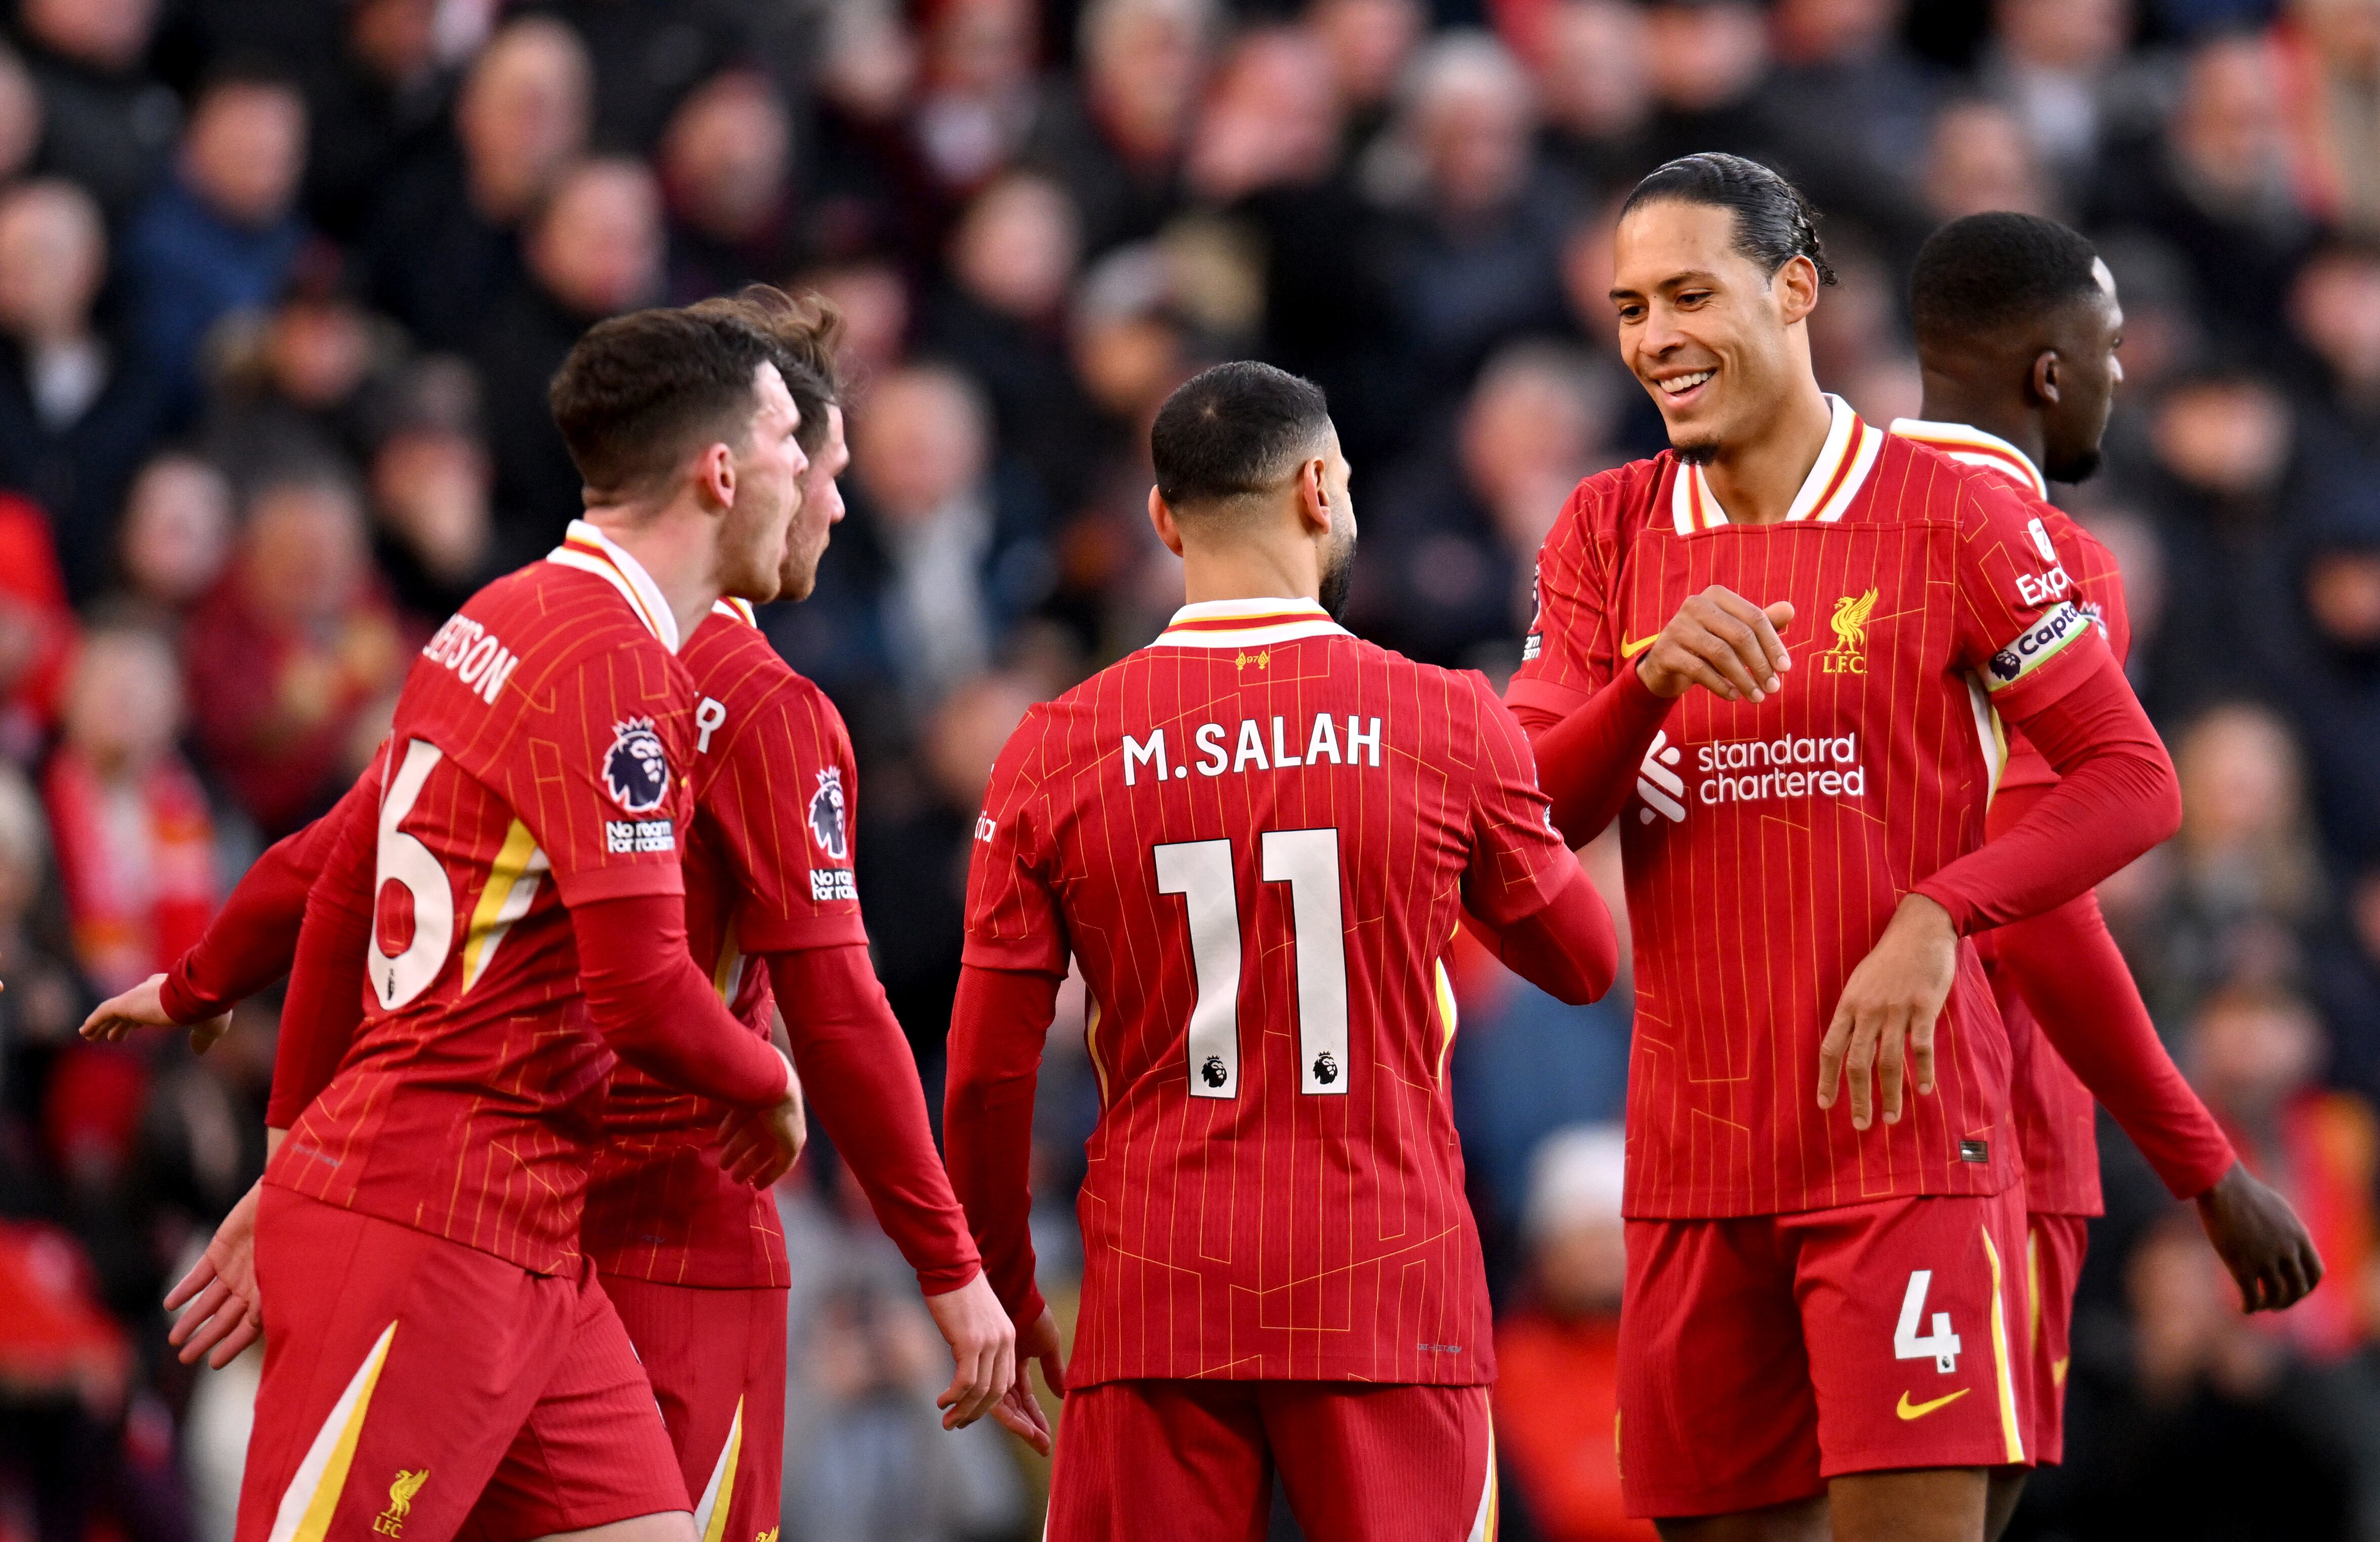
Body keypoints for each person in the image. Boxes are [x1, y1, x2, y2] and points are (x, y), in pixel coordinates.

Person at [1504, 153, 2183, 1541]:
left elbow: (2132, 780)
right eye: (1633, 308)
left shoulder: (1954, 517)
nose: (1656, 338)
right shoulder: (1605, 529)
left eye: (1693, 294)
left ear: (1797, 288)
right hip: (1694, 1164)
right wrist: (1642, 689)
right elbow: (1523, 812)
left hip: (1908, 1150)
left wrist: (1941, 913)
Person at [944, 360, 1623, 1537]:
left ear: (1163, 518)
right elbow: (1581, 959)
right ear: (1322, 489)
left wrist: (1004, 1279)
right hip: (1388, 1282)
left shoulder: (1052, 748)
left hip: (1159, 1291)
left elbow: (985, 1076)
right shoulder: (1445, 717)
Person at [219, 302, 812, 1542]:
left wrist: (270, 1127)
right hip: (430, 1208)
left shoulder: (498, 614)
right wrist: (769, 1078)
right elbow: (643, 992)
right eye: (789, 444)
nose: (811, 477)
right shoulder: (614, 666)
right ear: (720, 470)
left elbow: (335, 874)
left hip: (526, 1220)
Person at [1892, 209, 2325, 1539]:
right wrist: (2207, 1167)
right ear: (2047, 369)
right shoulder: (2052, 562)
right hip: (1976, 1119)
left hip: (1759, 1123)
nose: (2124, 375)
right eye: (2113, 344)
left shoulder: (1782, 528)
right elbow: (2035, 906)